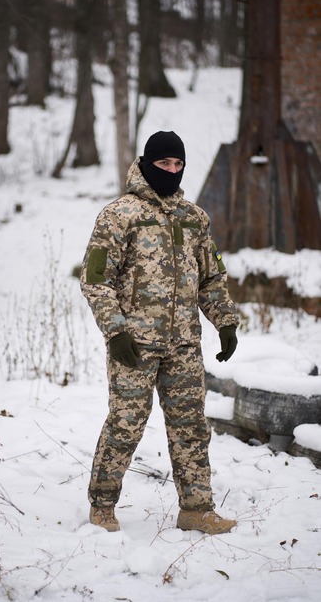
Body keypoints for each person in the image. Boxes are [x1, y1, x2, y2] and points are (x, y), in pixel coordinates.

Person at [80, 131, 239, 535]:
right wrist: (115, 331)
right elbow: (96, 279)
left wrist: (224, 321)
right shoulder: (119, 215)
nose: (171, 170)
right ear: (148, 164)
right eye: (164, 163)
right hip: (133, 344)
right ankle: (102, 505)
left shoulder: (194, 218)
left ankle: (197, 509)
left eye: (178, 164)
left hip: (183, 344)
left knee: (191, 426)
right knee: (126, 422)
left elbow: (212, 277)